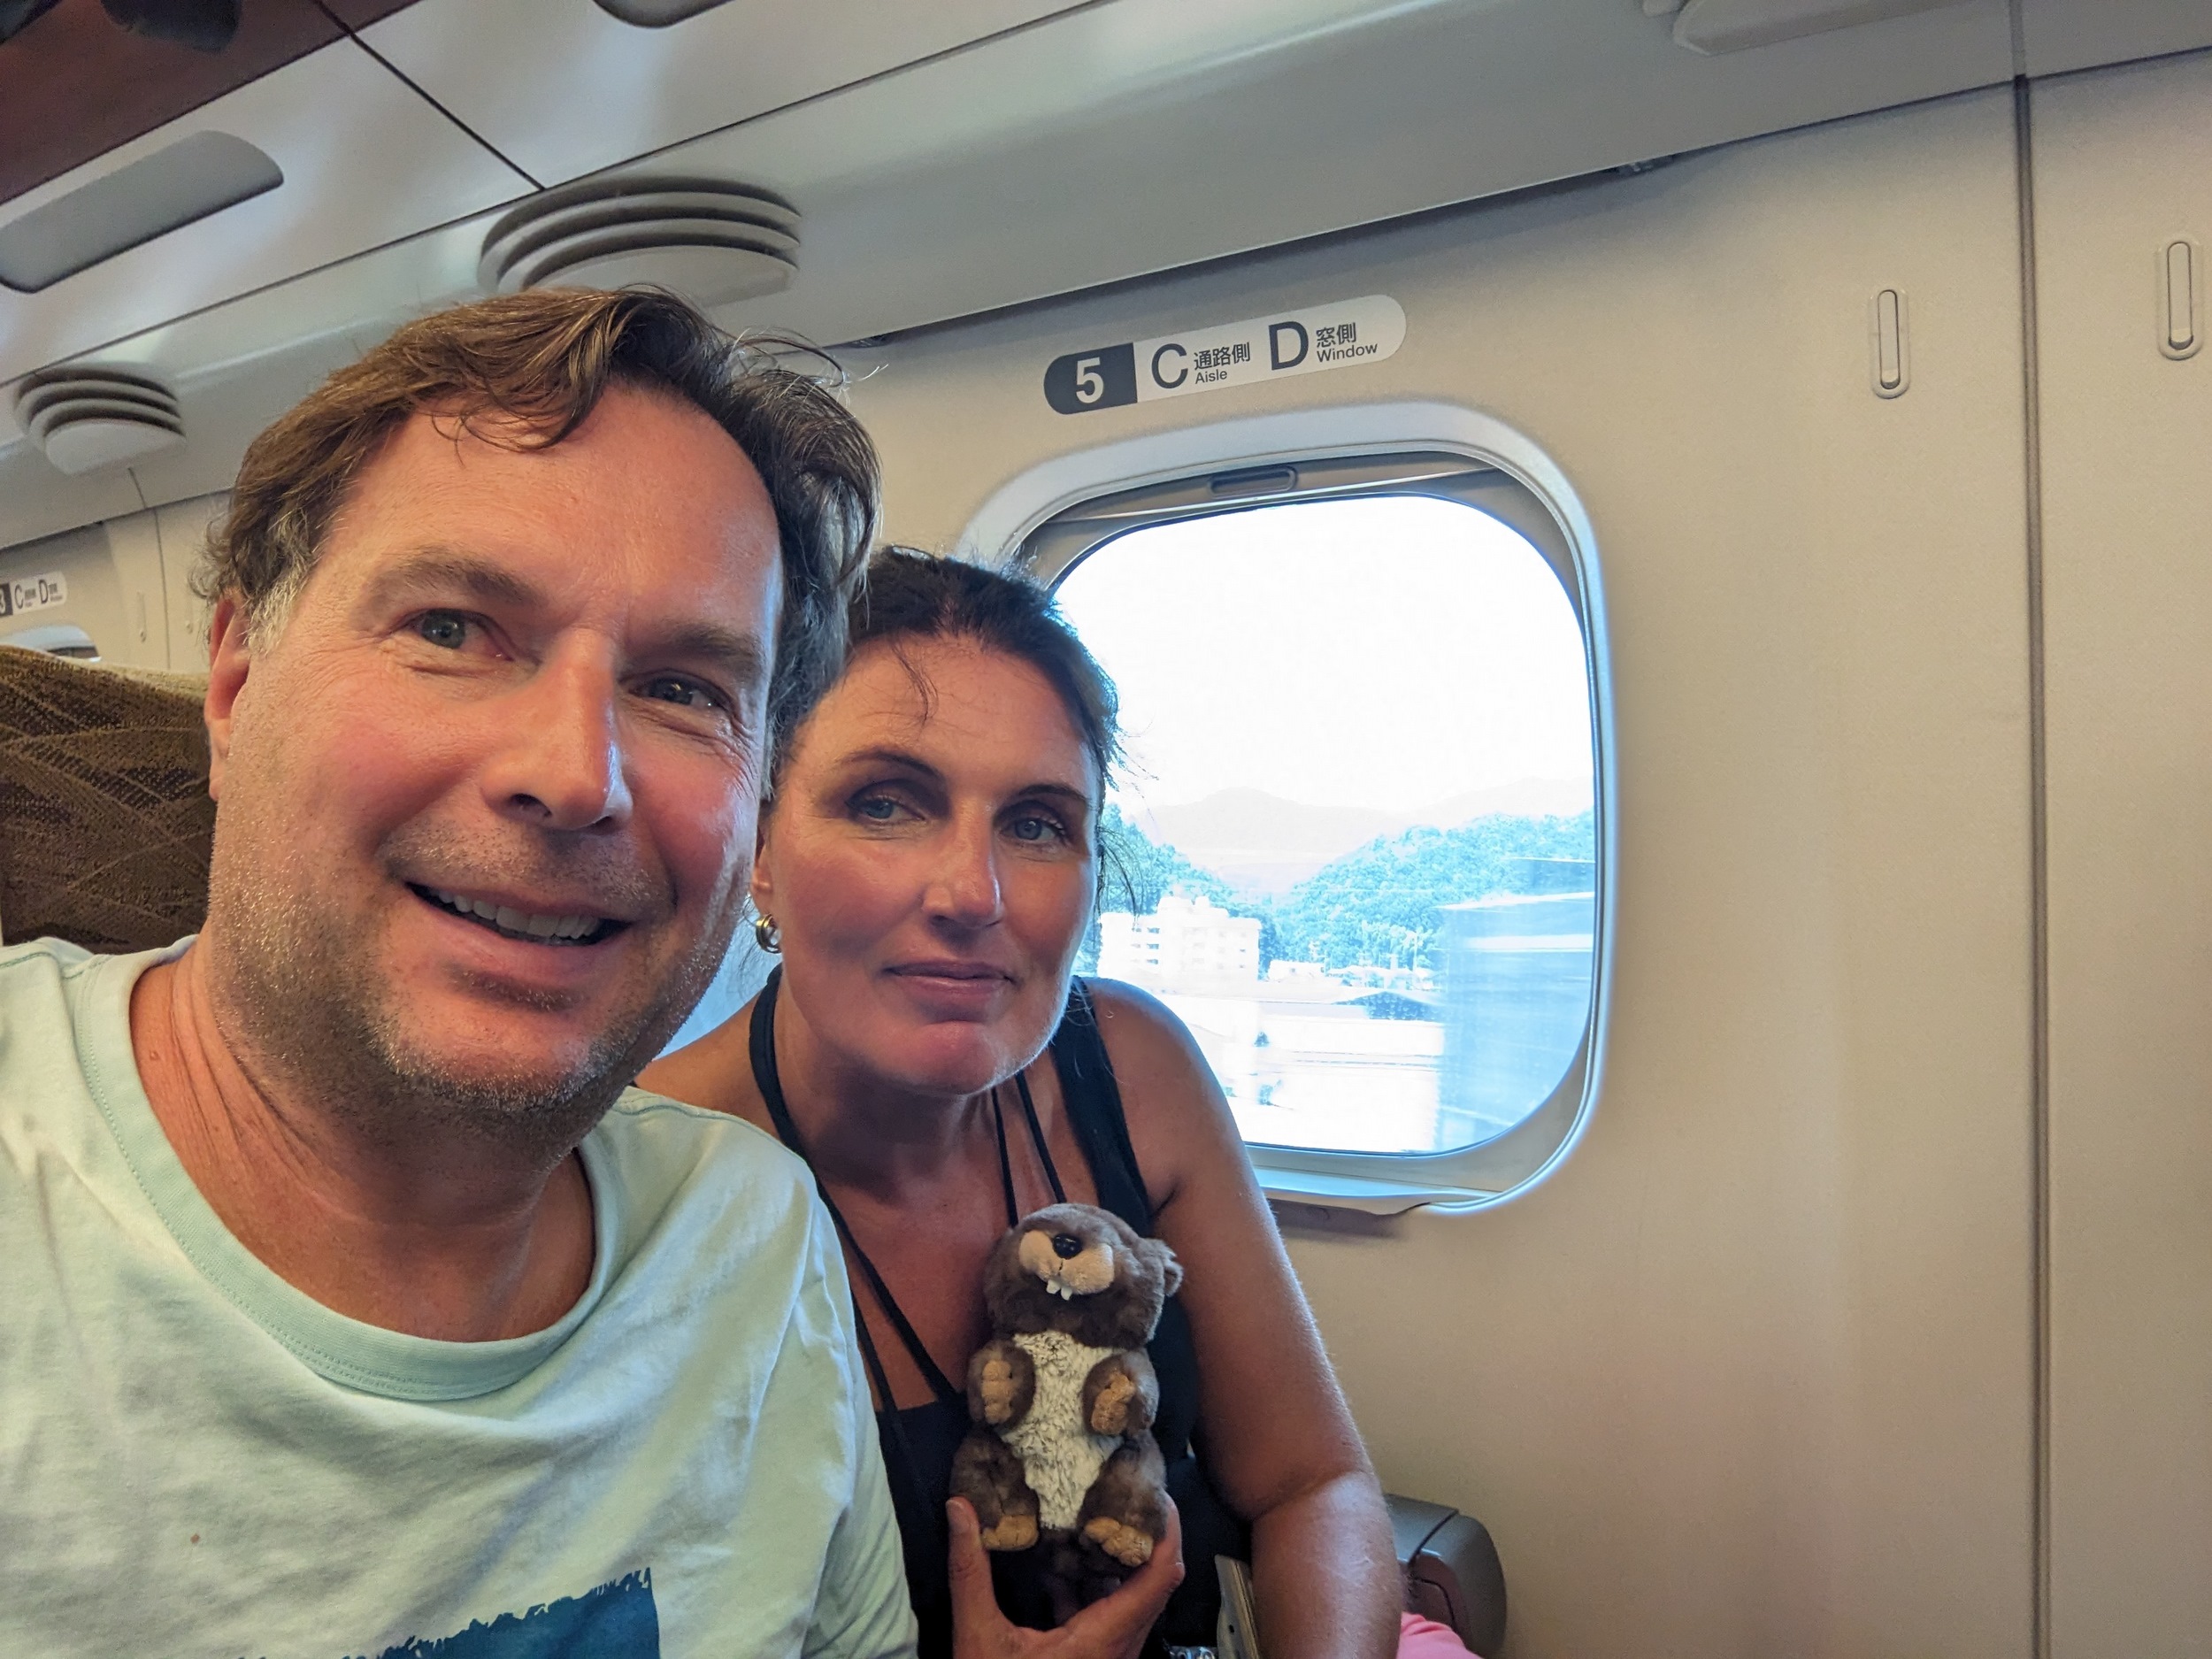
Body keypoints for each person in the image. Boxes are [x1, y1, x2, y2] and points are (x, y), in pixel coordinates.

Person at [0, 289, 918, 1657]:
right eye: (451, 626)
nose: (575, 772)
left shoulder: (755, 1237)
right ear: (237, 685)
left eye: (684, 689)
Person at [644, 549, 1472, 1659]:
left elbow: (1311, 1483)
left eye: (1036, 824)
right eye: (885, 803)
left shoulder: (1131, 1069)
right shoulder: (648, 1172)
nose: (972, 894)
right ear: (758, 850)